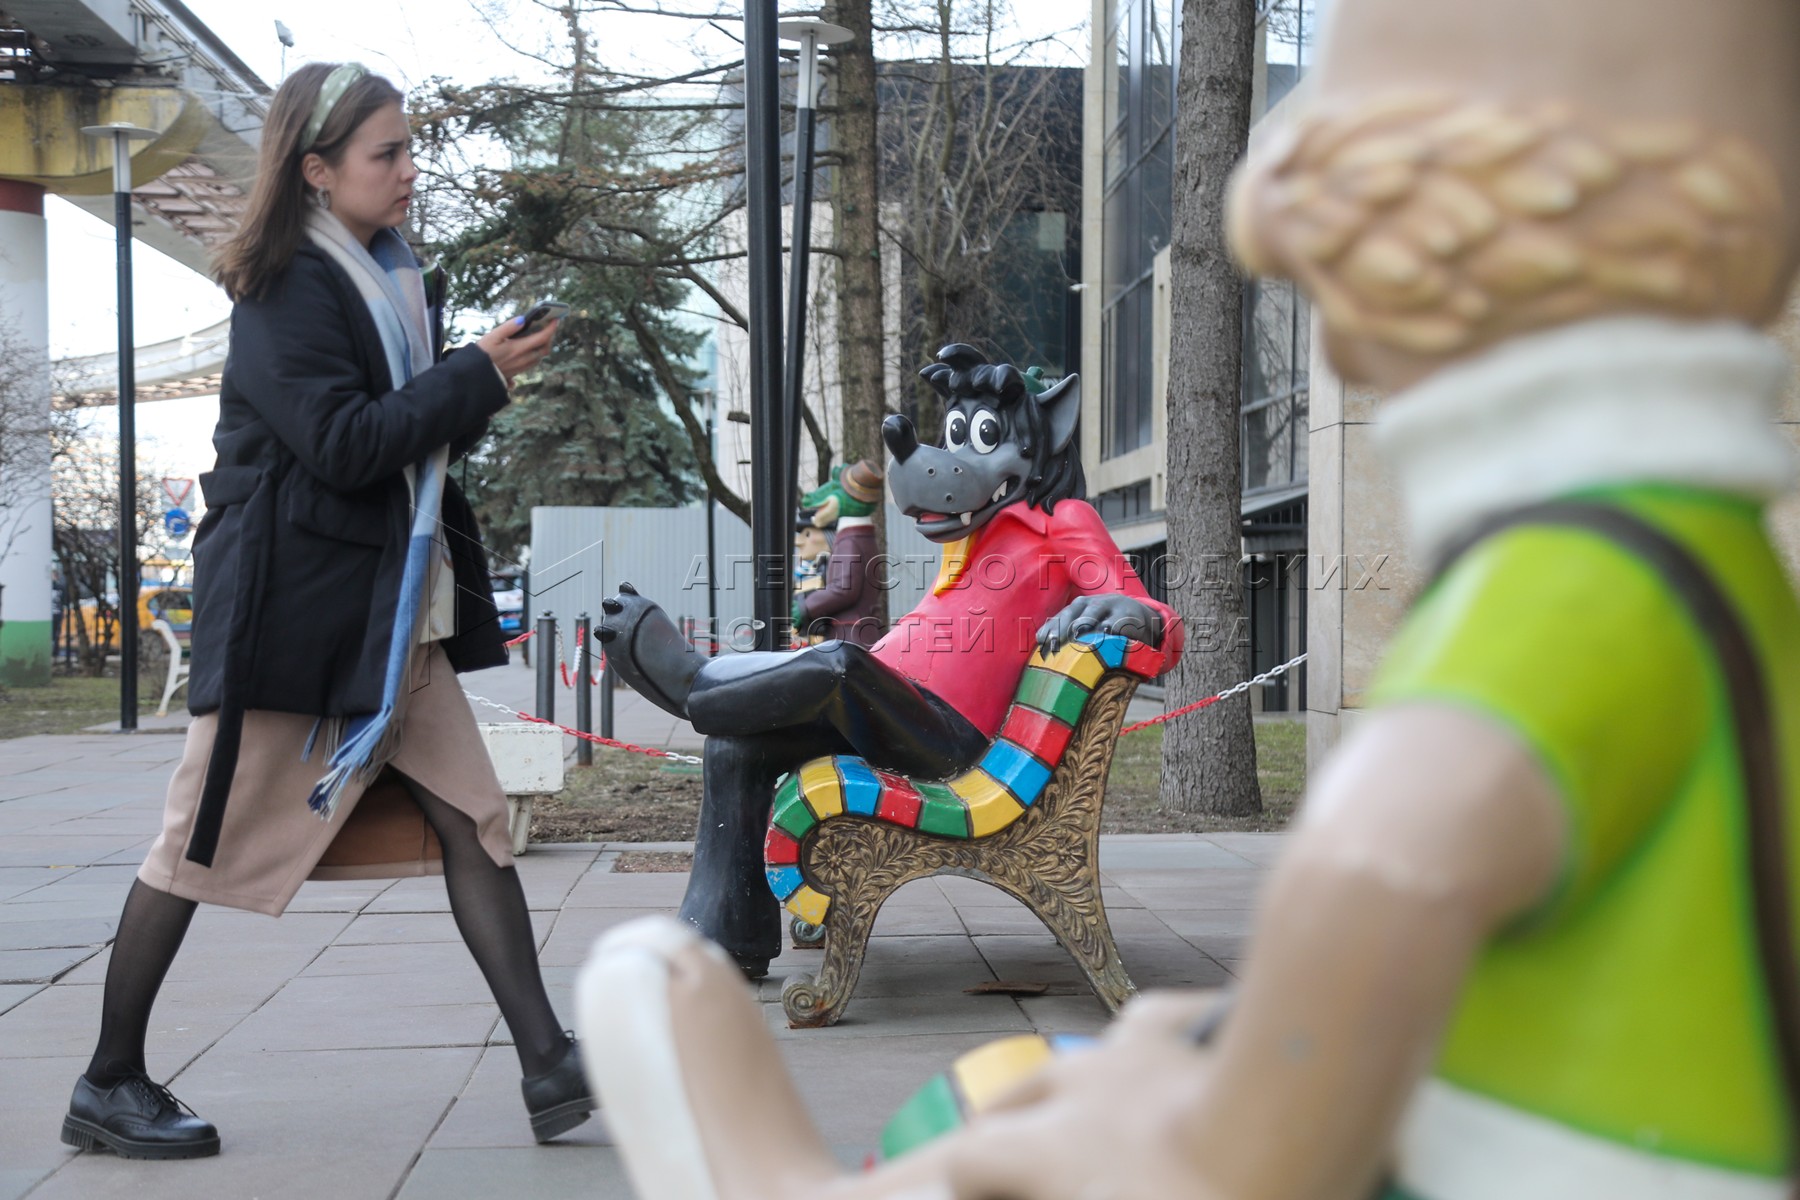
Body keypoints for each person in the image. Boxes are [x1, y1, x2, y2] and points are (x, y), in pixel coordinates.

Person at [572, 0, 1800, 1196]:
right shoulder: (1710, 564)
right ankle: (720, 886)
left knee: (1029, 1108)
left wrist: (1222, 1111)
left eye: (1366, 133)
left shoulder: (1570, 593)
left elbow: (1386, 870)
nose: (1271, 219)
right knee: (769, 741)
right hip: (1598, 1123)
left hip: (1553, 1152)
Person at [59, 62, 594, 1161]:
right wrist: (472, 375)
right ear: (317, 170)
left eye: (409, 149)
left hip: (392, 613)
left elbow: (414, 442)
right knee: (192, 847)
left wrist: (480, 377)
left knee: (474, 823)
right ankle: (107, 1079)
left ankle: (549, 1061)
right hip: (298, 621)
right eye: (386, 154)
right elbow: (349, 445)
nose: (410, 172)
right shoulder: (286, 288)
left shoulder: (388, 277)